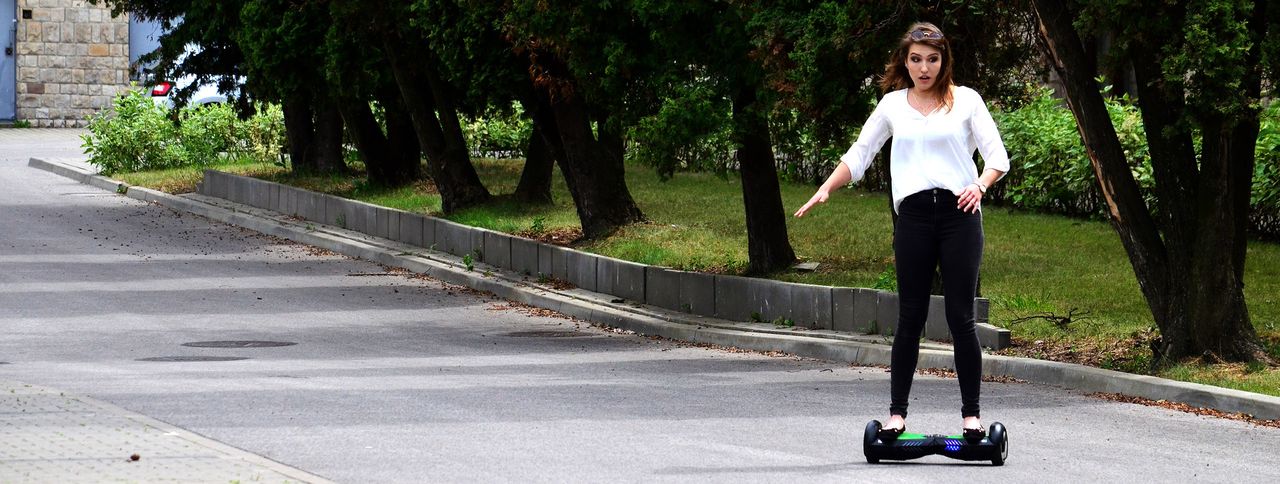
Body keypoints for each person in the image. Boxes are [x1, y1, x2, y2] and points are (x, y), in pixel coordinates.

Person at [793, 22, 1009, 441]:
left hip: (959, 216)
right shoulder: (893, 105)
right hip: (911, 219)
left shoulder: (966, 101)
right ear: (904, 61)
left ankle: (971, 418)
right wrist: (826, 187)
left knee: (959, 317)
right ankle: (896, 416)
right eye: (915, 59)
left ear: (943, 60)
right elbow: (861, 152)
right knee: (910, 316)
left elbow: (997, 155)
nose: (924, 68)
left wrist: (979, 184)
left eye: (932, 59)